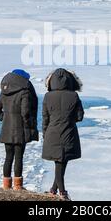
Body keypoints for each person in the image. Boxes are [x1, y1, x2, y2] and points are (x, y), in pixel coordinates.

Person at [42, 68, 84, 200]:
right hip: (69, 132)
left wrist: (45, 133)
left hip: (52, 132)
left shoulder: (47, 96)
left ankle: (54, 190)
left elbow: (45, 118)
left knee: (60, 162)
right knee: (61, 162)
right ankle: (63, 193)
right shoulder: (74, 96)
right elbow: (80, 116)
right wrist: (69, 119)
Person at [0, 69, 38, 191]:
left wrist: (5, 119)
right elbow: (25, 113)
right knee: (18, 157)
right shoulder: (25, 92)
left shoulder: (4, 92)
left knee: (8, 157)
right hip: (20, 131)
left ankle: (6, 186)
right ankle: (18, 186)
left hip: (6, 130)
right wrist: (29, 125)